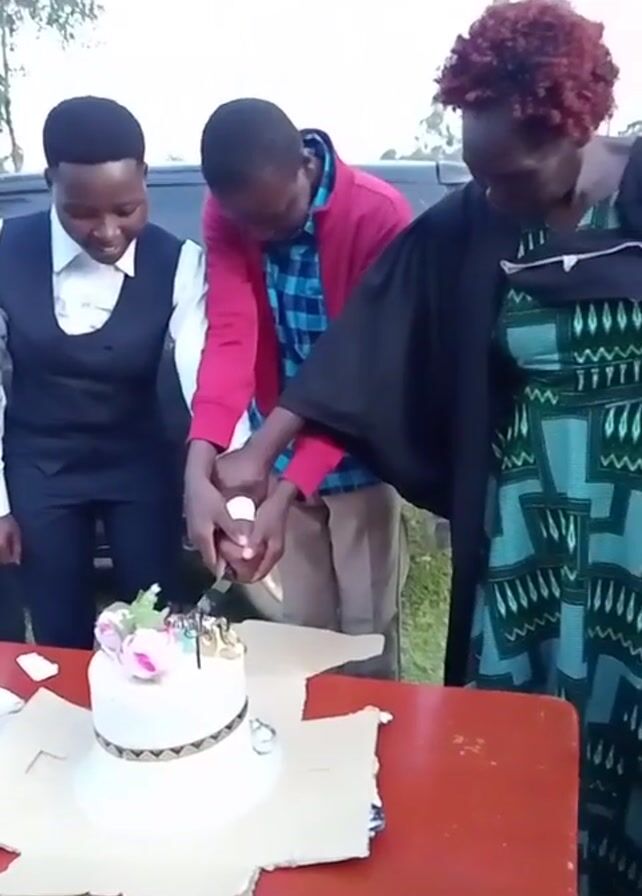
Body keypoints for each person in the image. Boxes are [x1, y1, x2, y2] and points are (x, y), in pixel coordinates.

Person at [207, 3, 642, 892]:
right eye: (478, 176)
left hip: (630, 519)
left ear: (576, 126)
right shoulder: (479, 218)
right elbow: (375, 332)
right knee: (522, 713)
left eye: (510, 175)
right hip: (528, 517)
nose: (491, 195)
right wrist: (261, 456)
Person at [184, 98, 411, 678]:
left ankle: (372, 727)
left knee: (366, 631)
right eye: (247, 224)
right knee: (305, 628)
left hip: (360, 445)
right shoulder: (230, 211)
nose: (262, 234)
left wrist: (281, 482)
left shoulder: (378, 215)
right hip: (278, 444)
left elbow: (362, 366)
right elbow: (231, 335)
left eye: (276, 214)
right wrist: (199, 467)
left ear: (306, 166)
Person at [0, 96, 208, 649]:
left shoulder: (180, 262)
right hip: (40, 468)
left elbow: (203, 374)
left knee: (154, 625)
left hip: (138, 464)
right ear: (50, 182)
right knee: (58, 626)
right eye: (82, 213)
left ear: (145, 178)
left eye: (126, 208)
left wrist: (218, 477)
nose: (109, 231)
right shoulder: (5, 249)